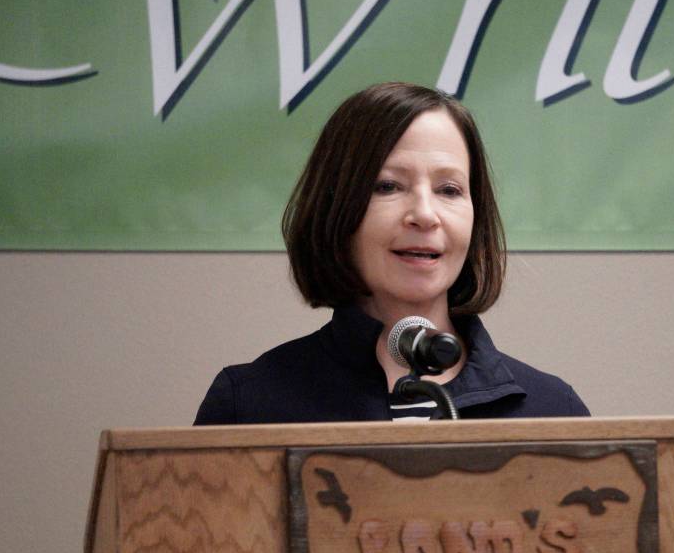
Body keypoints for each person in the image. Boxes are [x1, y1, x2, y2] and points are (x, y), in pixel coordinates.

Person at [195, 82, 588, 424]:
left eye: (449, 190)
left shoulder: (554, 410)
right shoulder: (248, 404)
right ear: (336, 208)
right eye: (388, 186)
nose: (425, 215)